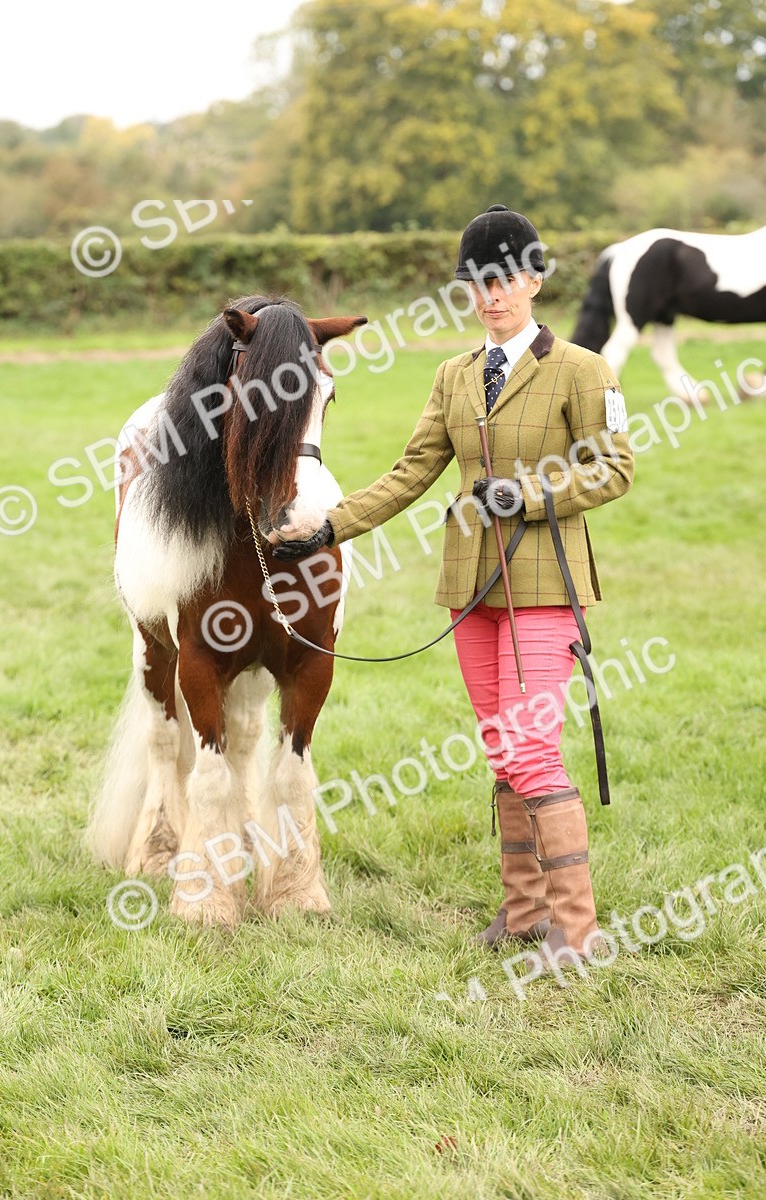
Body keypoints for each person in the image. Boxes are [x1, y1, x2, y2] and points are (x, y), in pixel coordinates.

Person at [272, 204, 635, 965]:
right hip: (471, 589)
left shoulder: (581, 369)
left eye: (504, 280)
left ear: (534, 280)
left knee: (533, 750)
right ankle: (524, 912)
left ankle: (577, 928)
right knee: (504, 752)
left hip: (544, 583)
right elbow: (410, 474)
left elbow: (613, 469)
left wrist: (532, 496)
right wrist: (327, 528)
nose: (490, 296)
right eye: (476, 282)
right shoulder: (454, 375)